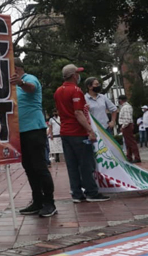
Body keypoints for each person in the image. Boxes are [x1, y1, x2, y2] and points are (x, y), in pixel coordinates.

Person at [53, 64, 109, 202]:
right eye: (77, 73)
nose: (79, 76)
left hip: (65, 132)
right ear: (74, 76)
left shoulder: (58, 91)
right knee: (86, 163)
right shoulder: (76, 90)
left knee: (72, 165)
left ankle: (76, 193)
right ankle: (91, 192)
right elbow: (78, 112)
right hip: (78, 132)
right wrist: (90, 130)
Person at [11, 58, 56, 217]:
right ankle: (37, 201)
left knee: (39, 167)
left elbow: (32, 88)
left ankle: (49, 202)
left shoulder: (29, 79)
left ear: (15, 68)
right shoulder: (12, 85)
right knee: (29, 168)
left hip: (34, 130)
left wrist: (21, 83)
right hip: (20, 132)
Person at [118, 96, 141, 162]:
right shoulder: (126, 107)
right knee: (128, 142)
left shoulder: (125, 107)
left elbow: (127, 119)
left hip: (127, 126)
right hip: (127, 125)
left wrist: (123, 126)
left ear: (121, 100)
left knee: (131, 142)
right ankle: (129, 157)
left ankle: (136, 157)